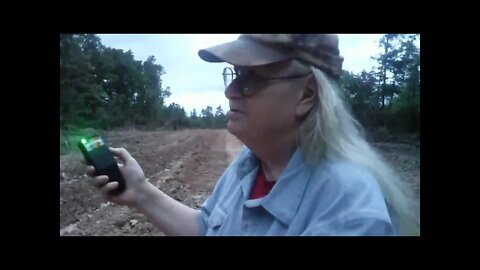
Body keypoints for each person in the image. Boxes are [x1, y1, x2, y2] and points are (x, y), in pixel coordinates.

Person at [85, 34, 420, 236]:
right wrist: (142, 193)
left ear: (306, 95)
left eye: (252, 77)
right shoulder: (252, 164)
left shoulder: (348, 213)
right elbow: (207, 229)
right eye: (235, 74)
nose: (231, 90)